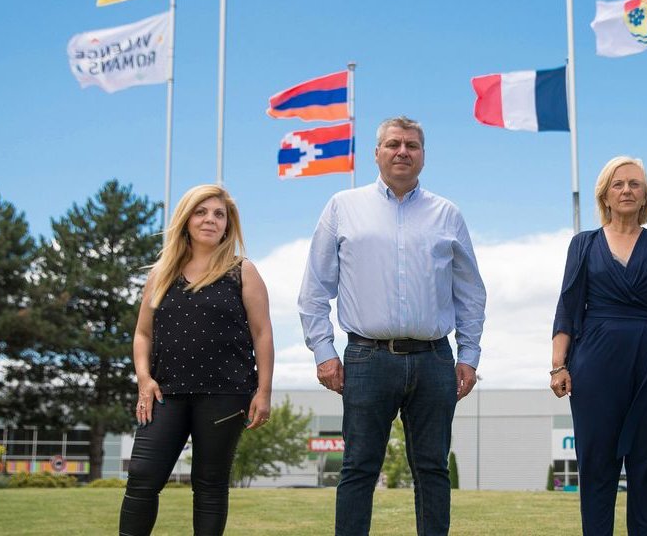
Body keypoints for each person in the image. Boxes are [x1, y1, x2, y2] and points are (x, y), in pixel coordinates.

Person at [298, 115, 486, 536]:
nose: (403, 151)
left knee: (433, 469)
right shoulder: (342, 208)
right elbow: (314, 288)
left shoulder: (447, 214)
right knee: (359, 467)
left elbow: (470, 293)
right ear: (377, 152)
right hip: (366, 357)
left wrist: (469, 356)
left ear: (423, 155)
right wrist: (324, 352)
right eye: (394, 144)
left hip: (435, 359)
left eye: (412, 145)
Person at [550, 156, 647, 536]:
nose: (627, 190)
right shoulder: (583, 244)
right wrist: (557, 364)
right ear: (605, 195)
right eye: (618, 184)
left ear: (645, 194)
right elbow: (567, 306)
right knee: (597, 468)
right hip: (594, 366)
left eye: (635, 184)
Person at [119, 185, 274, 536]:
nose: (210, 220)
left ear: (228, 224)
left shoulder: (242, 271)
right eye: (201, 212)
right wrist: (144, 378)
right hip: (165, 393)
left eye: (219, 214)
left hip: (226, 394)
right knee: (142, 477)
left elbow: (263, 333)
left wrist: (263, 391)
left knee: (210, 484)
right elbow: (143, 334)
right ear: (186, 219)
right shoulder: (160, 274)